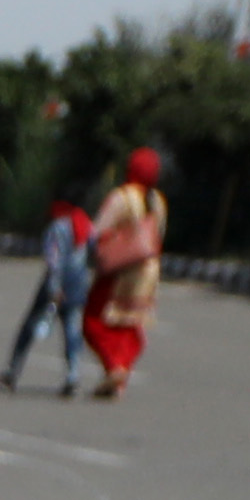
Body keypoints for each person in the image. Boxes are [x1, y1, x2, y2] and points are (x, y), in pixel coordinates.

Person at [80, 148, 168, 397]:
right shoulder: (158, 200)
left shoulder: (123, 197)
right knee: (129, 324)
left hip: (119, 269)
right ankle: (119, 377)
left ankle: (114, 366)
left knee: (94, 319)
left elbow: (97, 231)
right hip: (147, 270)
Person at [0, 184, 95, 394]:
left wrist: (54, 287)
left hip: (56, 285)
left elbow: (54, 260)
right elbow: (93, 251)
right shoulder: (85, 224)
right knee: (71, 330)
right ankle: (73, 374)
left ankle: (13, 370)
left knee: (30, 326)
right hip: (77, 284)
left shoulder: (57, 227)